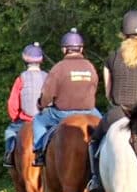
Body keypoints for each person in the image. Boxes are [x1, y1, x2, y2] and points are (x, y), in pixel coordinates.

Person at [87, 11, 137, 192]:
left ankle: (96, 180)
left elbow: (108, 92)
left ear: (123, 33)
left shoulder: (112, 57)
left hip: (119, 113)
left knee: (94, 140)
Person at [31, 29, 101, 165]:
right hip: (89, 112)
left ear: (64, 49)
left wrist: (42, 104)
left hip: (62, 114)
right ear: (81, 48)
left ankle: (39, 153)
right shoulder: (90, 67)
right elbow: (94, 87)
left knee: (38, 121)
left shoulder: (58, 68)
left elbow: (48, 94)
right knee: (107, 126)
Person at [3, 43, 48, 167]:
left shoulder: (21, 78)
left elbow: (12, 103)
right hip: (45, 119)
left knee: (10, 132)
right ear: (41, 60)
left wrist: (14, 117)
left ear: (25, 60)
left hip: (25, 120)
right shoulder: (47, 77)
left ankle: (8, 156)